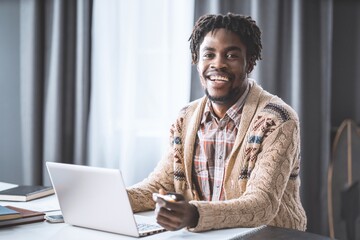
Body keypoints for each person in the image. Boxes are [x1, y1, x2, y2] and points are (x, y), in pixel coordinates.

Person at [127, 12, 307, 232]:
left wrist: (194, 214)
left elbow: (262, 204)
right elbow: (160, 185)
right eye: (209, 55)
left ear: (249, 63)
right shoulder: (186, 118)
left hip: (269, 235)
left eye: (231, 56)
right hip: (207, 235)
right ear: (197, 60)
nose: (218, 64)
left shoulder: (278, 119)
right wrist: (111, 199)